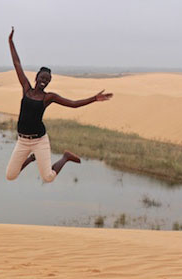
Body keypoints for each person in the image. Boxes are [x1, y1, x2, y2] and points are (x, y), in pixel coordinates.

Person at [6, 27, 113, 183]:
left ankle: (65, 157)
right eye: (42, 77)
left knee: (48, 177)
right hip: (22, 140)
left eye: (47, 80)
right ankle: (31, 159)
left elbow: (74, 104)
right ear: (36, 77)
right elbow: (17, 64)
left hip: (39, 140)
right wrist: (10, 42)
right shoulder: (26, 89)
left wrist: (94, 98)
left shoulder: (48, 97)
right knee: (10, 176)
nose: (44, 81)